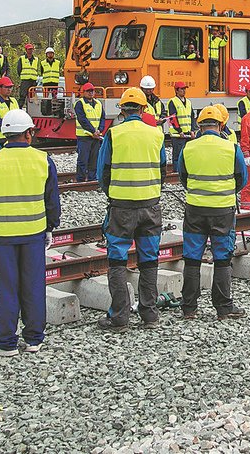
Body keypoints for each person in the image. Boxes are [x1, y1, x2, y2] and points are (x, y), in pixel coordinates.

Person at [0, 109, 61, 356]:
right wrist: (50, 227)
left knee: (7, 288)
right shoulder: (43, 160)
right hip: (33, 234)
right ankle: (34, 339)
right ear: (29, 133)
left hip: (1, 235)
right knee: (33, 286)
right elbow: (52, 201)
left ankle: (6, 343)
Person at [95, 87, 167, 331]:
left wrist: (113, 192)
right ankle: (149, 315)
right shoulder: (156, 133)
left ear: (122, 110)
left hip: (121, 208)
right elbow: (163, 169)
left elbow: (102, 171)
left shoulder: (114, 134)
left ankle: (119, 318)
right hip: (150, 206)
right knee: (149, 260)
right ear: (144, 109)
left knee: (117, 261)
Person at [178, 106, 248, 320]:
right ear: (221, 125)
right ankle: (223, 308)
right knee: (222, 257)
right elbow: (241, 178)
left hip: (195, 209)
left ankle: (189, 308)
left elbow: (183, 176)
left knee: (192, 257)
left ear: (199, 126)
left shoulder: (188, 148)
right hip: (222, 211)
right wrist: (225, 192)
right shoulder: (231, 147)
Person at [74, 82, 105, 182]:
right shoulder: (79, 103)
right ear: (84, 92)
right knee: (83, 160)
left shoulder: (98, 104)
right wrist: (93, 131)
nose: (91, 93)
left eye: (92, 91)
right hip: (84, 136)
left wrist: (100, 130)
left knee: (93, 160)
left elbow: (102, 118)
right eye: (88, 91)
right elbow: (82, 119)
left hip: (95, 137)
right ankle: (80, 180)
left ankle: (92, 179)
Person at [167, 81, 195, 169]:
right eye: (181, 89)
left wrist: (193, 130)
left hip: (187, 134)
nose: (184, 91)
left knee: (187, 155)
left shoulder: (189, 102)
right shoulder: (172, 102)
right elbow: (172, 119)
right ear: (176, 90)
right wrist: (180, 131)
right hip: (178, 134)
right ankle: (177, 172)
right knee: (177, 156)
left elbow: (192, 117)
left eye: (184, 89)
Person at [0, 76, 20, 143]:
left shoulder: (14, 101)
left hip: (14, 137)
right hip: (0, 137)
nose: (9, 89)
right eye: (6, 87)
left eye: (10, 87)